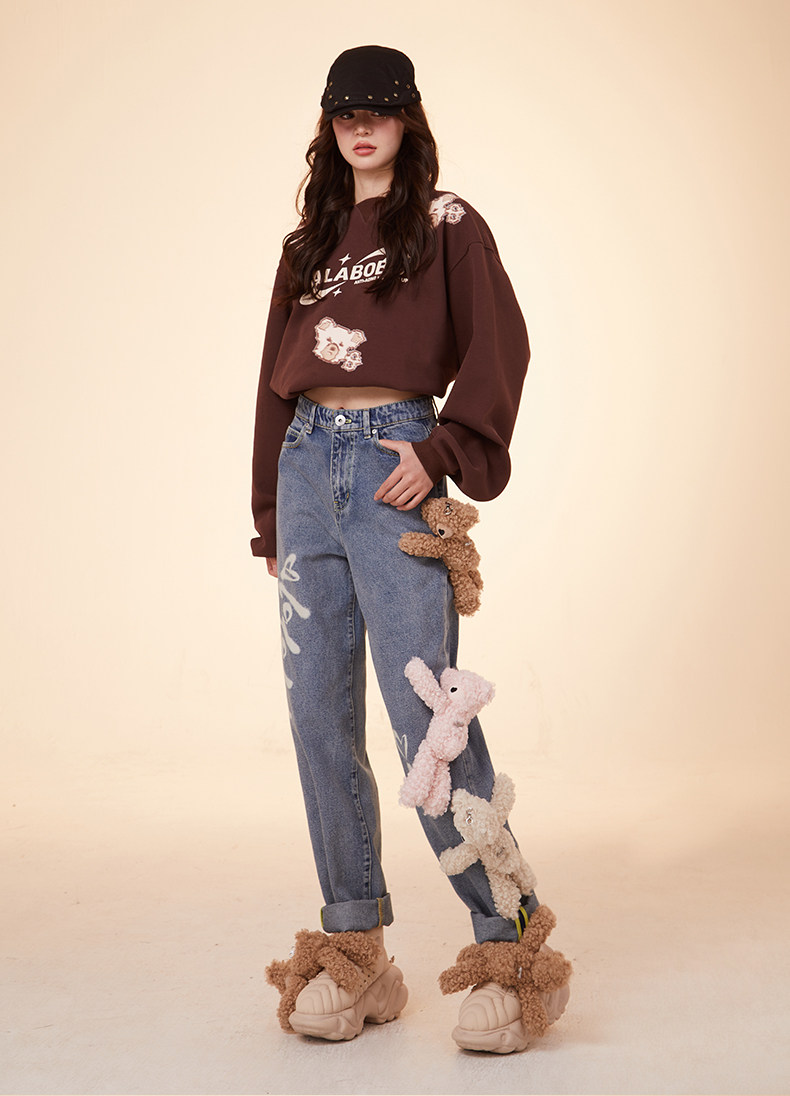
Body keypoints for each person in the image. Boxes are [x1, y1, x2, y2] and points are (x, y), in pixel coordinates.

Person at [251, 45, 571, 1054]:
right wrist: (270, 510)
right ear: (328, 126)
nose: (362, 126)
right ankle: (357, 949)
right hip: (307, 470)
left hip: (392, 466)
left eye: (379, 111)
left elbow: (501, 344)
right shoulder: (306, 244)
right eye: (345, 112)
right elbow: (272, 379)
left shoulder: (445, 223)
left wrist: (436, 451)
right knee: (316, 715)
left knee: (426, 714)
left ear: (407, 120)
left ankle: (512, 946)